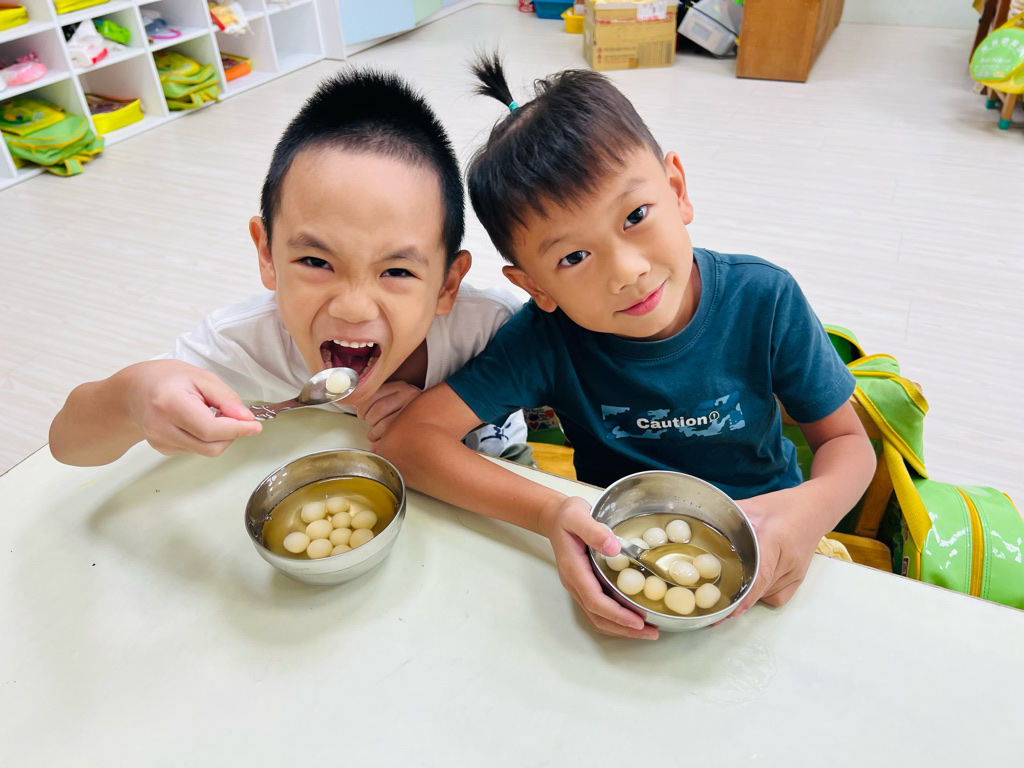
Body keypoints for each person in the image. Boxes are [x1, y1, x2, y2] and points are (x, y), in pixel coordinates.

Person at [377, 54, 876, 641]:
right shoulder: (545, 339)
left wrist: (809, 512)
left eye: (635, 215)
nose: (627, 272)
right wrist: (549, 512)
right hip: (624, 568)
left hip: (775, 546)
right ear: (536, 286)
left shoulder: (763, 299)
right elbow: (410, 442)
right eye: (573, 257)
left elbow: (848, 444)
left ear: (677, 189)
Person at [49, 68, 526, 467]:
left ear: (446, 285)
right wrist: (133, 397)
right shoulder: (247, 345)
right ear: (267, 255)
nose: (354, 307)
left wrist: (438, 415)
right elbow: (67, 446)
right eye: (317, 261)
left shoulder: (492, 326)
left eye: (397, 271)